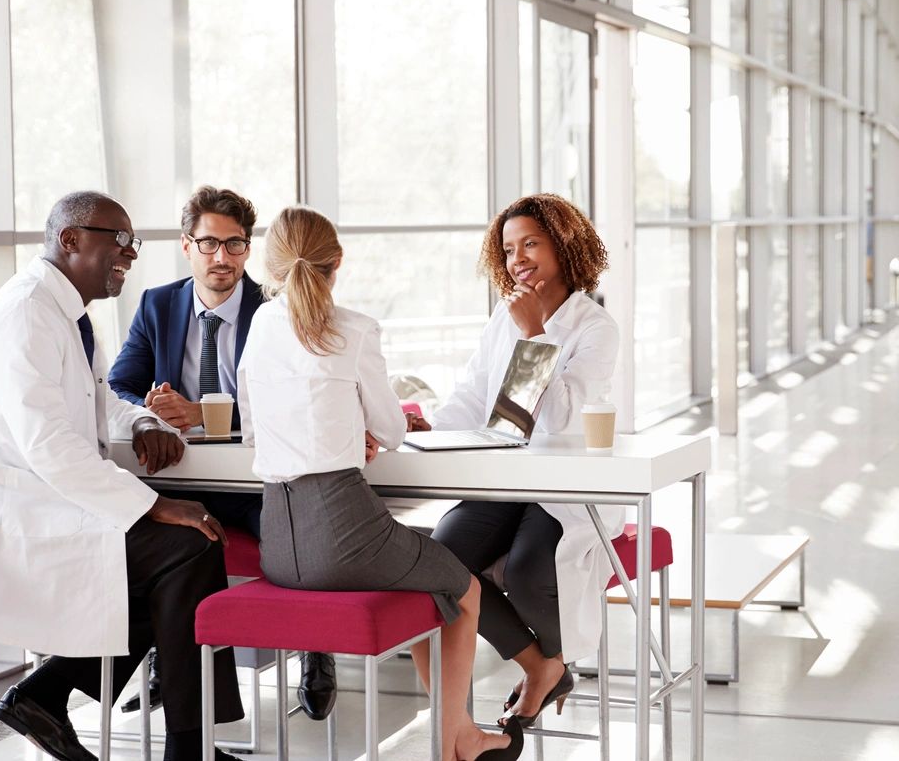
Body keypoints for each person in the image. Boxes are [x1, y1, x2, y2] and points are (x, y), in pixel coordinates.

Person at [0, 191, 244, 761]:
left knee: (186, 553)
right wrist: (151, 503)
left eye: (133, 245)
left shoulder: (66, 311)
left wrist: (139, 419)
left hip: (44, 506)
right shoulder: (27, 312)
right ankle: (174, 743)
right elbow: (48, 443)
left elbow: (100, 394)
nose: (130, 256)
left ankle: (56, 696)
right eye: (119, 242)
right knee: (188, 546)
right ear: (69, 239)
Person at [236, 206, 522, 761]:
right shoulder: (356, 328)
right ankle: (454, 740)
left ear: (269, 268)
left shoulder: (260, 326)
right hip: (344, 535)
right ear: (336, 262)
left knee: (423, 581)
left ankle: (456, 731)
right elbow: (391, 430)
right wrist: (359, 431)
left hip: (280, 543)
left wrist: (340, 430)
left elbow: (255, 428)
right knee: (463, 587)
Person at [107, 186, 333, 718]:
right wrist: (151, 410)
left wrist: (209, 415)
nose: (222, 258)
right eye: (209, 244)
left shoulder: (277, 310)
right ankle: (170, 655)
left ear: (249, 250)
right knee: (142, 532)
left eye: (235, 245)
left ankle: (315, 648)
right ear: (187, 245)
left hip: (258, 481)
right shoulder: (158, 304)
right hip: (183, 479)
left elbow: (297, 403)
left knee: (294, 536)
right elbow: (117, 384)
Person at [414, 193, 623, 728]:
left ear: (563, 244)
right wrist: (427, 428)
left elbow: (558, 420)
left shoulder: (594, 327)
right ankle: (542, 666)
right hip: (502, 473)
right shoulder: (503, 317)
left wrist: (535, 334)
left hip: (560, 484)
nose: (517, 259)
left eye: (531, 243)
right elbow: (472, 395)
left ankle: (552, 664)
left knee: (532, 571)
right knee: (442, 564)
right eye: (508, 250)